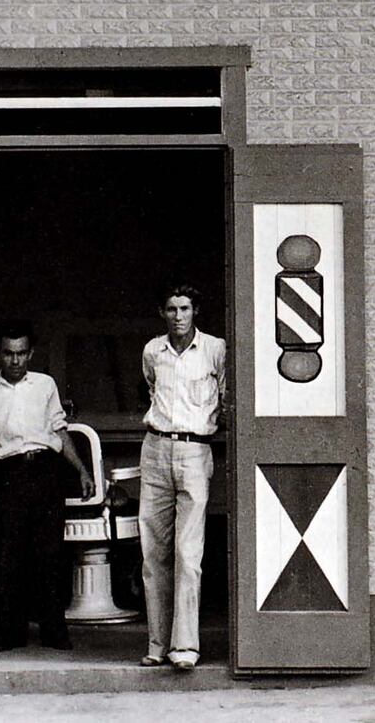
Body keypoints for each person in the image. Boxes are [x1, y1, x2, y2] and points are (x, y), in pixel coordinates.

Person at [0, 319, 94, 652]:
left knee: (50, 554)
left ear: (31, 353)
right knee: (9, 556)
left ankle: (55, 631)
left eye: (22, 353)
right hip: (8, 475)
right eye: (9, 354)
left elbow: (59, 430)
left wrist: (80, 469)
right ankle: (10, 633)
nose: (15, 361)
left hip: (47, 473)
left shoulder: (45, 385)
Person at [138, 284, 225, 671]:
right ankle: (157, 644)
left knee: (188, 554)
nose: (178, 316)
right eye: (171, 309)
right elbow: (152, 389)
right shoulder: (152, 351)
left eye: (185, 308)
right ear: (162, 312)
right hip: (156, 447)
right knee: (153, 552)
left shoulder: (214, 350)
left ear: (195, 311)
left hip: (194, 449)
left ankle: (184, 646)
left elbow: (225, 395)